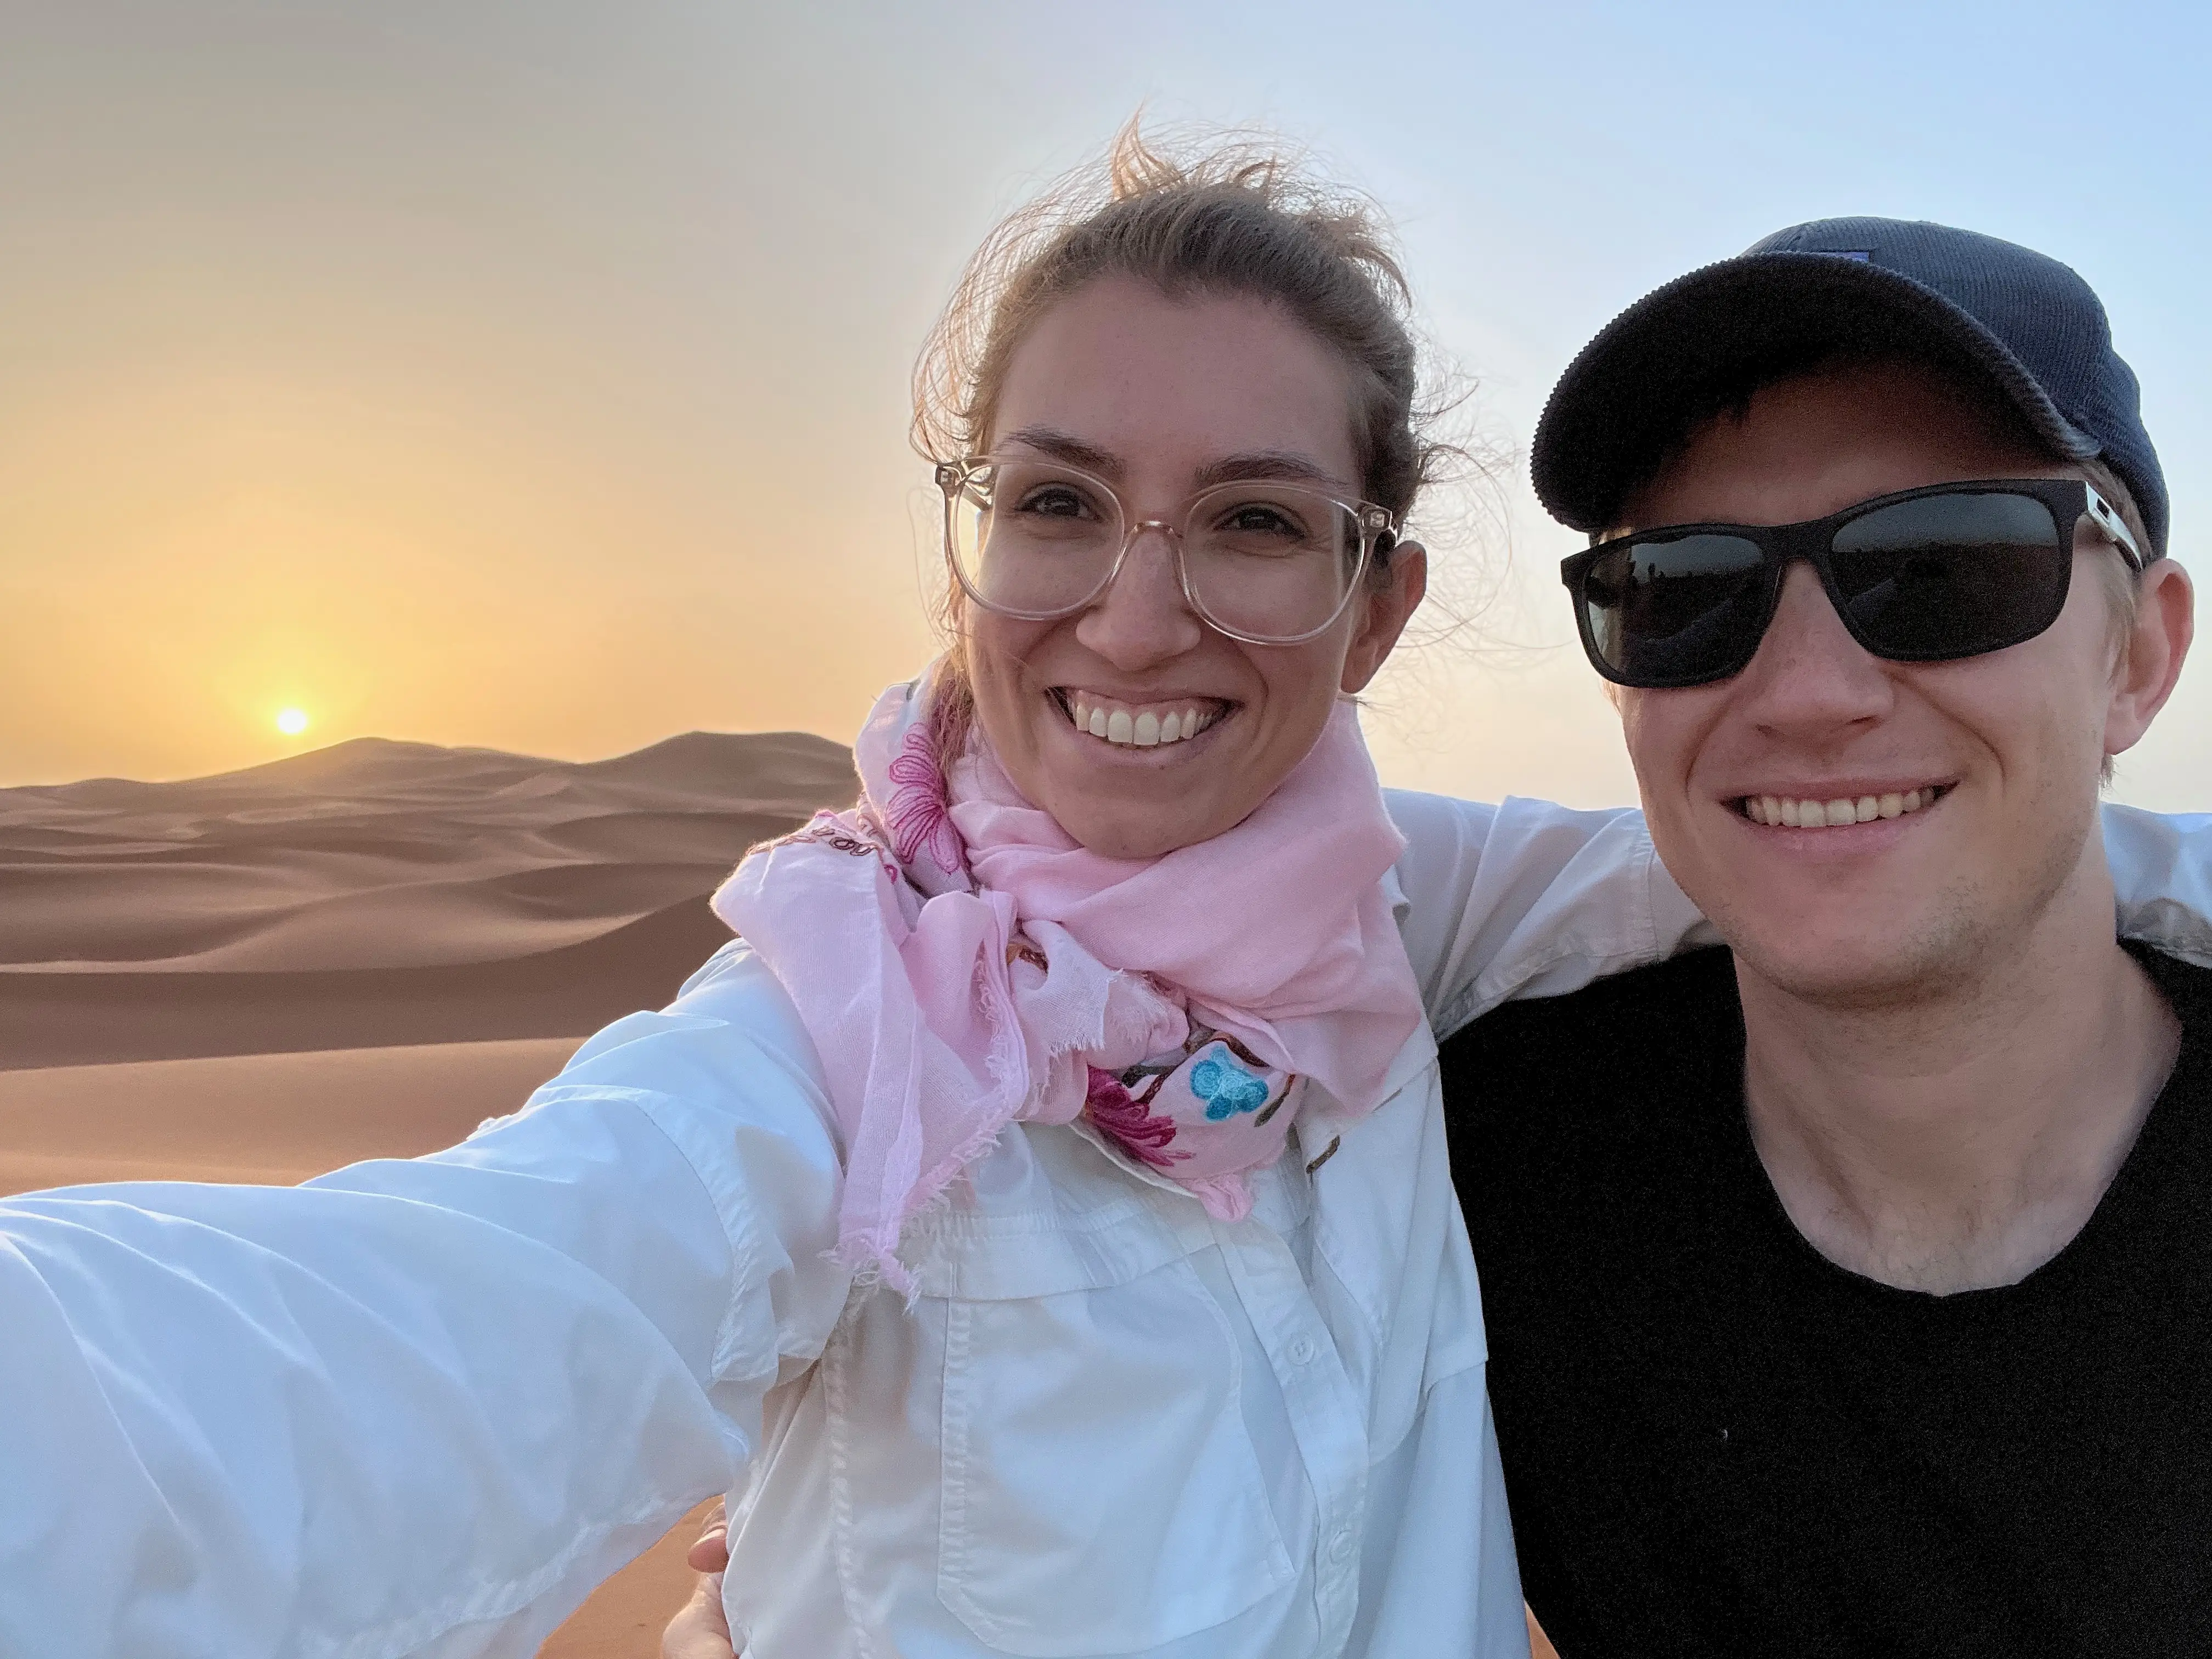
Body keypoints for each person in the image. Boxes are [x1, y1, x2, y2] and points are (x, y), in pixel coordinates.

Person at [0, 131, 1741, 1658]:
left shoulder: (1415, 906)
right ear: (972, 544)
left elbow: (1771, 863)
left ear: (1375, 604)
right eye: (1060, 501)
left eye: (1256, 521)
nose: (1137, 619)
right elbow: (415, 1347)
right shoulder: (849, 1033)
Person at [1443, 218, 2212, 1655]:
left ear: (2140, 659)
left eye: (1943, 565)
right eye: (1684, 590)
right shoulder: (1483, 1175)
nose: (1804, 692)